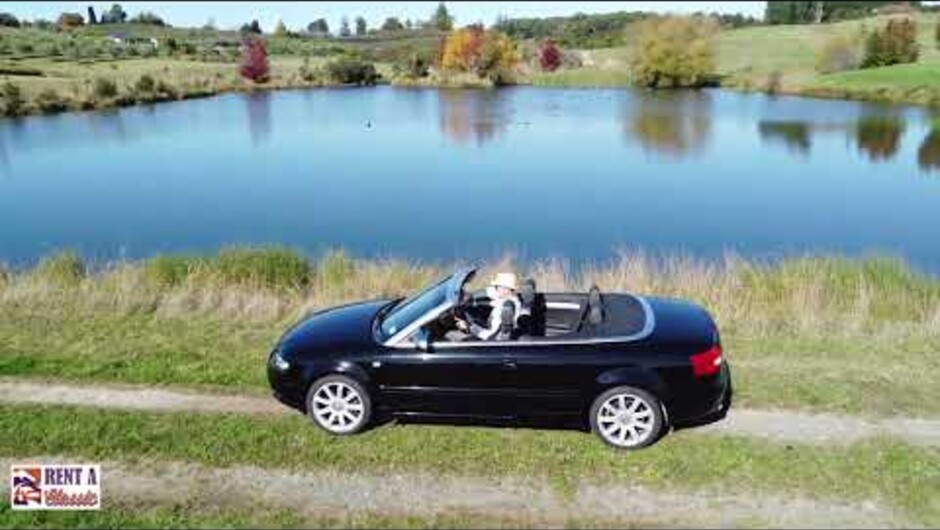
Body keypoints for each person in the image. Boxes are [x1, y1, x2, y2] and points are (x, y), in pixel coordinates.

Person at [455, 272, 522, 341]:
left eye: (501, 287)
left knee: (457, 338)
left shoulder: (507, 306)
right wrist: (469, 297)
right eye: (497, 287)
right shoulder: (508, 300)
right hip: (494, 335)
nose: (497, 290)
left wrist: (469, 327)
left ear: (508, 290)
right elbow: (489, 293)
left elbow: (493, 337)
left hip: (495, 342)